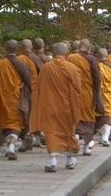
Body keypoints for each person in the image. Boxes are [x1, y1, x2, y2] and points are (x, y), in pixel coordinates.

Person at [30, 42, 81, 173]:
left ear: (53, 53)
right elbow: (78, 89)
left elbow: (39, 87)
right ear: (67, 53)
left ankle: (52, 161)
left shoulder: (46, 68)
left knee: (51, 132)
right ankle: (70, 160)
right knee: (68, 132)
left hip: (50, 106)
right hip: (67, 107)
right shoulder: (72, 68)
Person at [0, 40, 32, 160]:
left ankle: (10, 147)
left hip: (2, 100)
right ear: (17, 49)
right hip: (15, 99)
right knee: (15, 124)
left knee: (7, 124)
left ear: (5, 48)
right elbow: (29, 81)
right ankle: (11, 147)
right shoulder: (19, 63)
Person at [67, 39, 103, 155]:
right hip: (87, 94)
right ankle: (87, 147)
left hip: (72, 94)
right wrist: (97, 95)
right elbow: (97, 79)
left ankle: (76, 137)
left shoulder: (70, 58)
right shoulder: (91, 59)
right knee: (88, 120)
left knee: (75, 119)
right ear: (89, 48)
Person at [18, 39, 43, 149]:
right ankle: (35, 137)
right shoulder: (36, 59)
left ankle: (24, 139)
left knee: (23, 115)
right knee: (34, 114)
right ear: (31, 47)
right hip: (33, 90)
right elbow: (42, 74)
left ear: (21, 47)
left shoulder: (17, 60)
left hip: (19, 91)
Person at [93, 47, 111, 147]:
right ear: (106, 56)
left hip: (98, 95)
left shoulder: (95, 66)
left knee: (99, 116)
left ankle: (103, 136)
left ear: (96, 56)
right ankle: (105, 137)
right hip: (110, 95)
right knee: (108, 115)